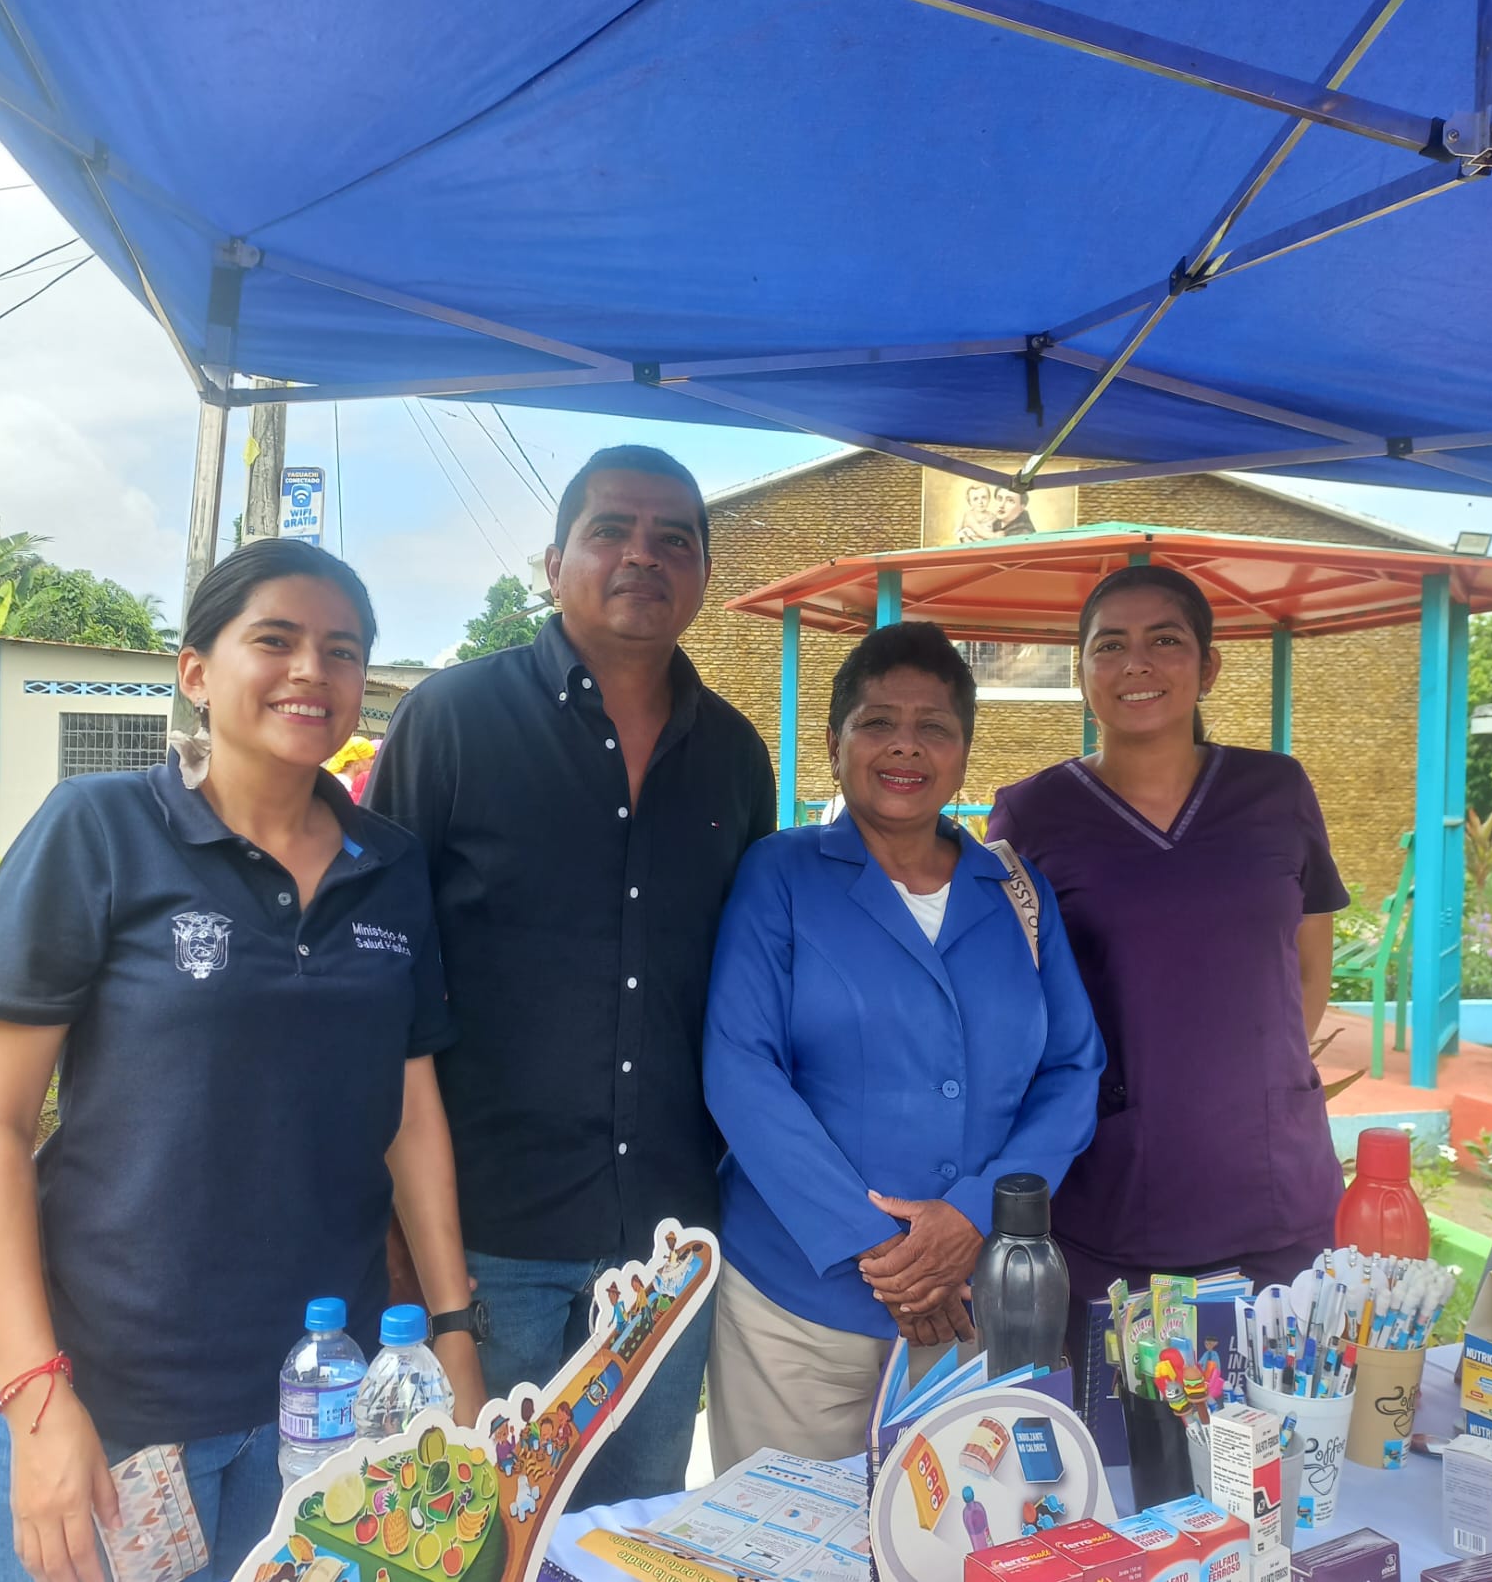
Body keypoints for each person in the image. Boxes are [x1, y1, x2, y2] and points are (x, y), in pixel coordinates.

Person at [0, 541, 484, 1582]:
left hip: (323, 1414)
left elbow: (410, 1108)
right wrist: (36, 1396)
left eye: (342, 650)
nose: (311, 670)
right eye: (274, 640)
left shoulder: (390, 864)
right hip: (113, 1417)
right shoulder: (100, 831)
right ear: (195, 670)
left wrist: (452, 1331)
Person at [365, 444, 776, 1504]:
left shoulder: (735, 757)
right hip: (484, 1244)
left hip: (667, 1249)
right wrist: (398, 1236)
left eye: (673, 538)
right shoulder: (450, 722)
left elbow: (742, 985)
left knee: (630, 1540)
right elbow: (378, 982)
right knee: (475, 1537)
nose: (643, 555)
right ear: (554, 564)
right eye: (610, 531)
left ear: (702, 573)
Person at [702, 623, 1104, 1469]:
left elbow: (1072, 1068)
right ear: (833, 743)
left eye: (934, 727)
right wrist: (885, 1251)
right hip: (797, 1312)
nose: (905, 746)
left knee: (963, 1526)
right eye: (878, 721)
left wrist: (972, 1215)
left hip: (973, 1302)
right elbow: (739, 1068)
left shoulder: (1015, 892)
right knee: (787, 1534)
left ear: (963, 752)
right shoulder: (780, 875)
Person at [986, 565, 1347, 1314]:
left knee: (1279, 1388)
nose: (1136, 663)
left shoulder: (1276, 790)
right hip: (1113, 1194)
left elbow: (1310, 964)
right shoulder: (1032, 814)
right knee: (1117, 1390)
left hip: (1275, 1191)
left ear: (1208, 666)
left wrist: (1254, 1090)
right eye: (1109, 645)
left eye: (1165, 640)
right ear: (1080, 670)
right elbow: (1012, 1000)